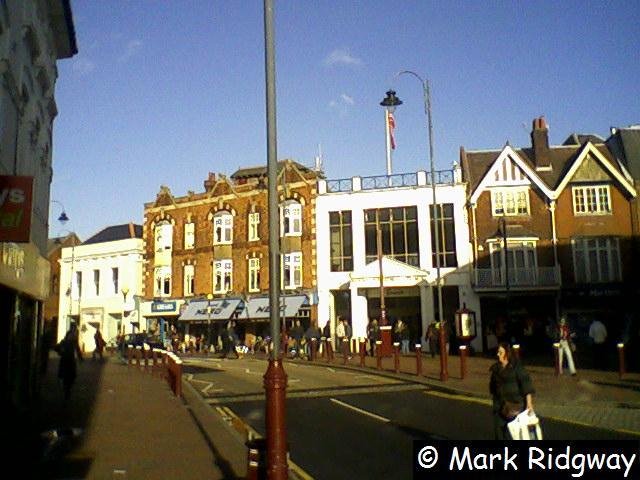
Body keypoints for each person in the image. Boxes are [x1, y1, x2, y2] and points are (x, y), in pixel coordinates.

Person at [489, 342, 535, 440]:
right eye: (498, 352)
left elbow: (526, 384)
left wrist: (529, 404)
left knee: (516, 434)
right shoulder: (496, 369)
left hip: (515, 407)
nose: (498, 355)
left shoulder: (516, 367)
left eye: (500, 352)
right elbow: (492, 388)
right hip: (500, 407)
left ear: (507, 354)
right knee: (499, 433)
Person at [57, 323, 84, 400]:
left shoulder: (73, 340)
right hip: (66, 360)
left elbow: (77, 349)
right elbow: (57, 347)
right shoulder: (66, 341)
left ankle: (67, 389)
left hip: (69, 360)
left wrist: (80, 357)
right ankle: (66, 389)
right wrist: (61, 351)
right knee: (67, 376)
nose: (74, 335)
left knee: (70, 376)